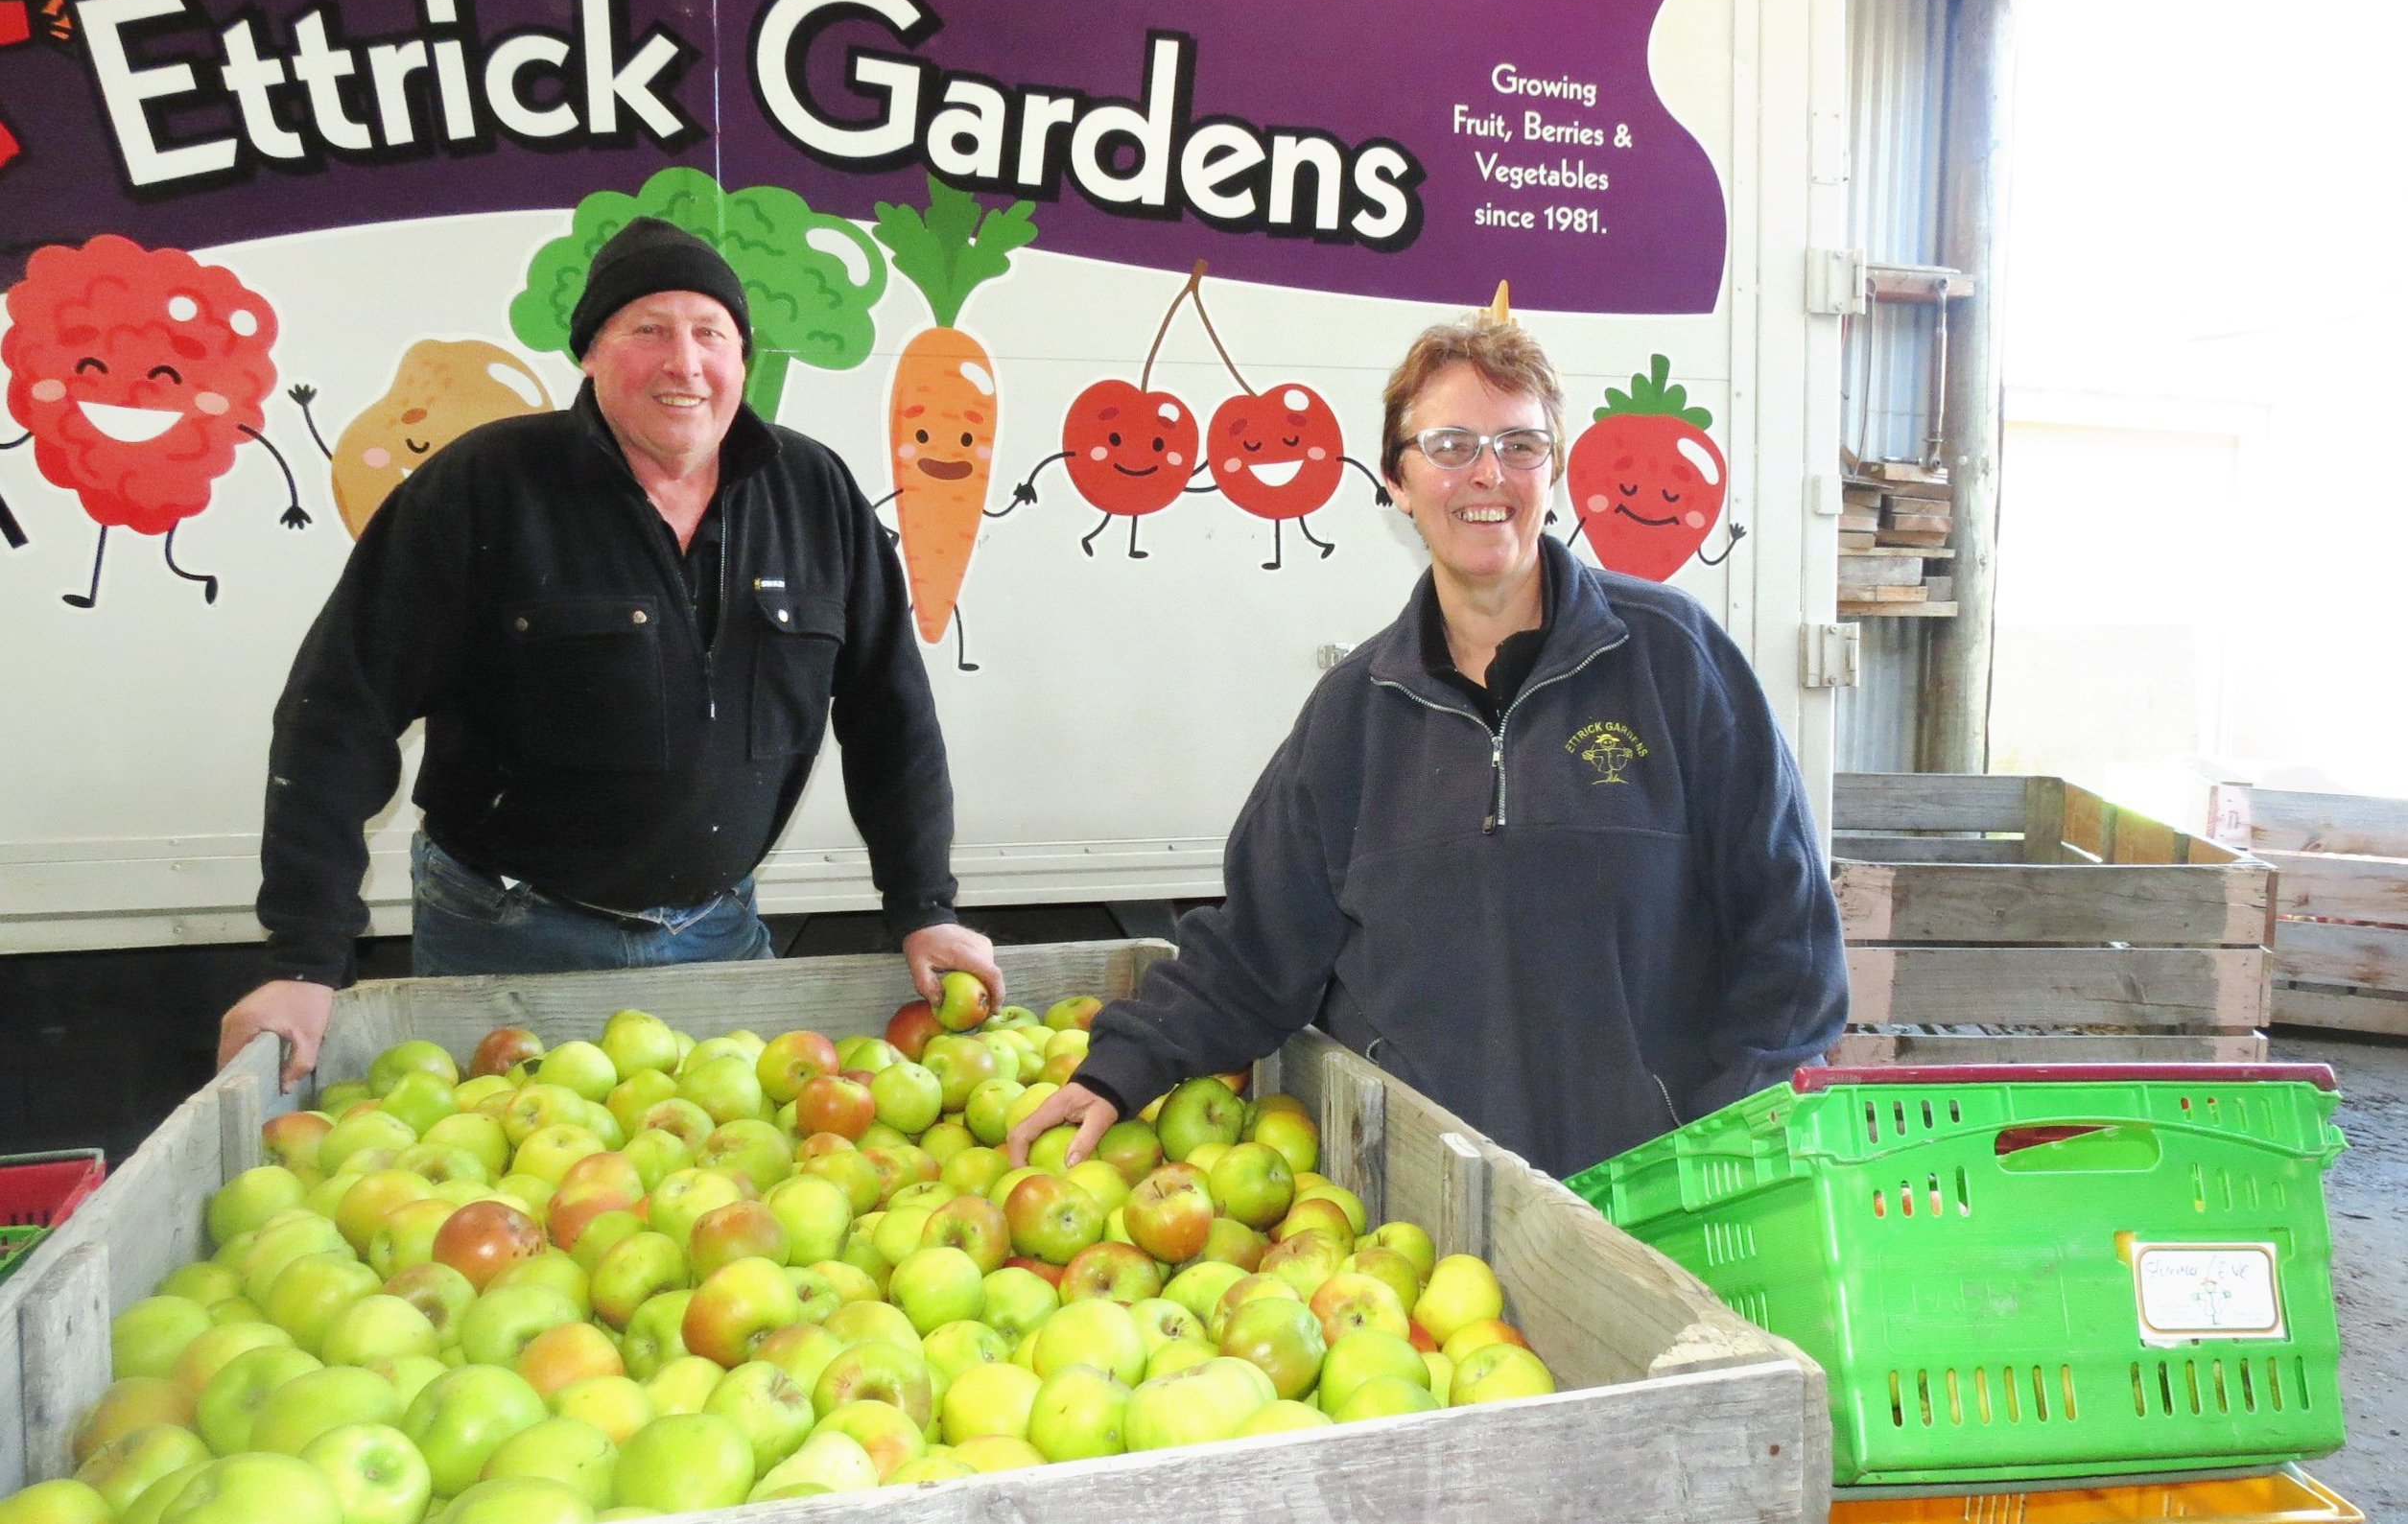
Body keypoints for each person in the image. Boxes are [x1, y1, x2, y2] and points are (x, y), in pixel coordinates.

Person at [1007, 313, 1847, 1181]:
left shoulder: (1674, 661)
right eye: (1450, 445)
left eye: (1521, 444)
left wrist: (1718, 1140)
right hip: (1429, 1215)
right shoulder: (1353, 715)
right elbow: (1259, 947)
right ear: (1397, 482)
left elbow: (1791, 938)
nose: (1488, 474)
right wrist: (1122, 1068)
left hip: (1655, 1197)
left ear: (1553, 470)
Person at [219, 218, 1000, 1089]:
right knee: (514, 1200)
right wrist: (304, 957)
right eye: (649, 330)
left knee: (725, 1195)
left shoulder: (815, 494)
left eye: (711, 333)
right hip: (508, 939)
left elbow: (890, 716)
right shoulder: (485, 487)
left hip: (720, 935)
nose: (685, 361)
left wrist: (924, 907)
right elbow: (340, 711)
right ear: (590, 352)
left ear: (742, 358)